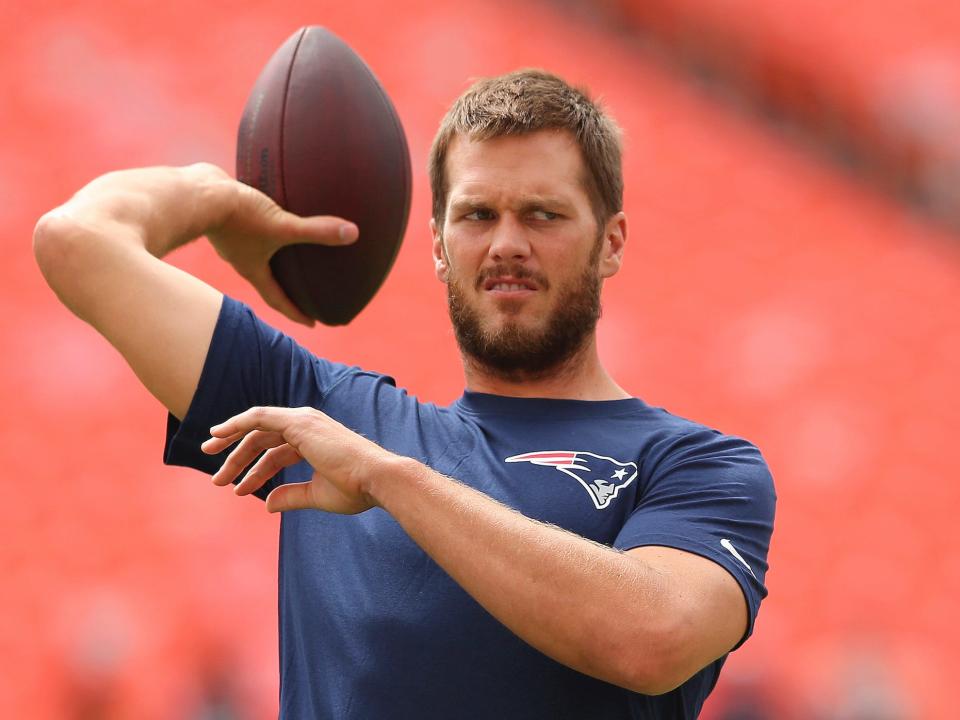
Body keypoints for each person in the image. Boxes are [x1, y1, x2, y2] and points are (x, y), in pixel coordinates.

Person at [34, 69, 776, 719]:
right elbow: (76, 240)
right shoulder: (328, 416)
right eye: (477, 215)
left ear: (611, 242)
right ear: (437, 244)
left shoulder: (699, 465)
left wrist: (388, 479)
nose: (506, 242)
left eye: (543, 215)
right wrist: (213, 199)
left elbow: (653, 638)